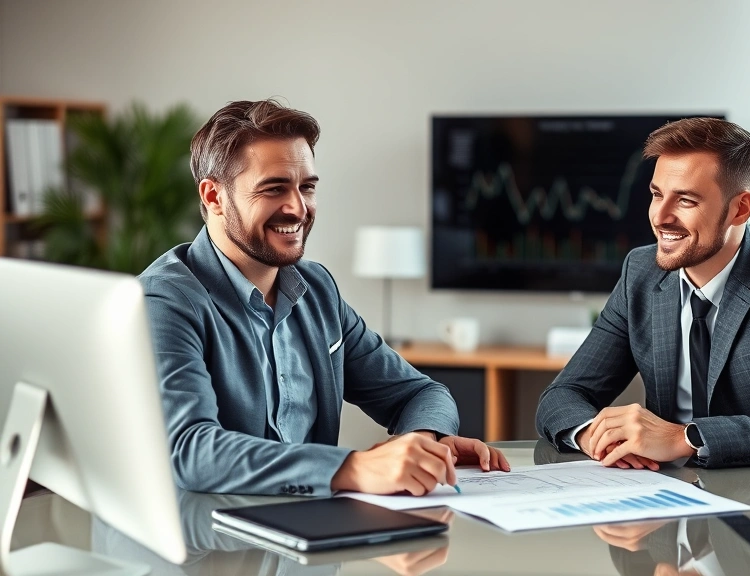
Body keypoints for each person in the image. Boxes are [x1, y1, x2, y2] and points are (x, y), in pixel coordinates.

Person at [140, 99, 508, 497]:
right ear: (214, 197)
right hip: (206, 546)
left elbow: (421, 392)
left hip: (307, 541)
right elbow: (190, 451)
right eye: (274, 188)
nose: (298, 208)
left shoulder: (316, 289)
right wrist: (353, 468)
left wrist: (421, 443)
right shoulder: (163, 300)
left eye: (307, 187)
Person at [535, 117, 750, 469]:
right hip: (676, 492)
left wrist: (682, 438)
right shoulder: (641, 272)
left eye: (685, 201)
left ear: (740, 208)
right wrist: (593, 436)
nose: (661, 217)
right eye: (657, 195)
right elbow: (563, 396)